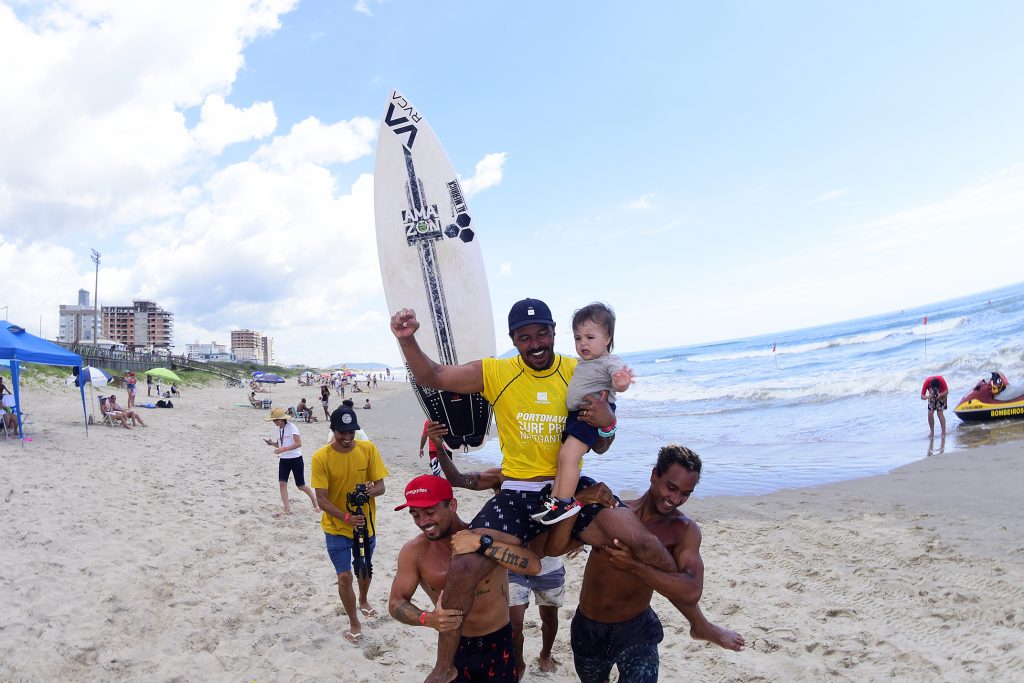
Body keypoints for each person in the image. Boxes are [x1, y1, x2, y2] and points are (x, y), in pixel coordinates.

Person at [391, 299, 682, 683]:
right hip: (516, 490)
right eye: (525, 337)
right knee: (463, 565)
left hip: (570, 485)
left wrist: (609, 423)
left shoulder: (581, 370)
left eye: (542, 333)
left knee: (639, 540)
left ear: (554, 332)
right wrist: (408, 339)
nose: (535, 343)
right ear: (514, 340)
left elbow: (600, 443)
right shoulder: (497, 371)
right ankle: (445, 665)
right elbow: (435, 375)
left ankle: (691, 612)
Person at [550, 444, 746, 681]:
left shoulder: (683, 530)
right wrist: (579, 505)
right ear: (654, 475)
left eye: (685, 493)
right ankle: (701, 625)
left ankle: (702, 626)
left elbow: (691, 590)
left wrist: (635, 566)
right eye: (671, 487)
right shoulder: (613, 513)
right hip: (589, 627)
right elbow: (555, 547)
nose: (675, 499)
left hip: (637, 630)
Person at [389, 475, 542, 682]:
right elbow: (396, 602)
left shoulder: (484, 536)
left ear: (452, 505)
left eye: (429, 512)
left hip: (499, 640)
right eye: (415, 515)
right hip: (455, 646)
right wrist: (427, 619)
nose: (423, 522)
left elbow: (533, 565)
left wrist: (483, 544)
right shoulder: (414, 552)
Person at [535, 302, 633, 525]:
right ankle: (554, 501)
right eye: (578, 338)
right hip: (577, 416)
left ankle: (564, 501)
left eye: (590, 337)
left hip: (591, 415)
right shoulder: (583, 362)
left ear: (607, 339)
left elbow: (618, 381)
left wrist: (621, 381)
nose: (583, 343)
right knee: (563, 457)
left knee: (570, 457)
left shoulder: (610, 361)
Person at [311, 405, 390, 645]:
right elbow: (321, 498)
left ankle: (363, 599)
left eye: (351, 433)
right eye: (341, 433)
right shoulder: (321, 457)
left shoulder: (368, 449)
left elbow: (381, 487)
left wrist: (369, 491)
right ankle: (354, 622)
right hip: (336, 528)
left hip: (365, 525)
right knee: (344, 576)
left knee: (364, 568)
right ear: (333, 430)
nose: (346, 438)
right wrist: (345, 517)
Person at [264, 407, 320, 518]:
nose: (275, 422)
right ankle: (287, 509)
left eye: (276, 420)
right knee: (282, 484)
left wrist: (283, 449)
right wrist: (272, 443)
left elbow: (298, 443)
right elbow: (281, 445)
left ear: (283, 419)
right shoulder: (278, 429)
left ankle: (315, 503)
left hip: (296, 459)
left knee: (301, 485)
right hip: (284, 460)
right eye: (274, 420)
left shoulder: (292, 427)